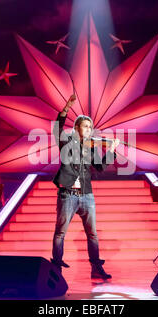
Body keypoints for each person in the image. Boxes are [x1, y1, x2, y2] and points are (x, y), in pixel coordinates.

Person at [51, 94, 119, 280]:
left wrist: (111, 151)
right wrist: (65, 109)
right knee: (60, 233)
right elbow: (57, 128)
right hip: (68, 194)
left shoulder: (91, 147)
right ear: (76, 128)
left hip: (87, 195)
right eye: (85, 126)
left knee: (93, 234)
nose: (88, 130)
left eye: (90, 127)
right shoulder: (66, 142)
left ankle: (96, 269)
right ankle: (56, 269)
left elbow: (100, 167)